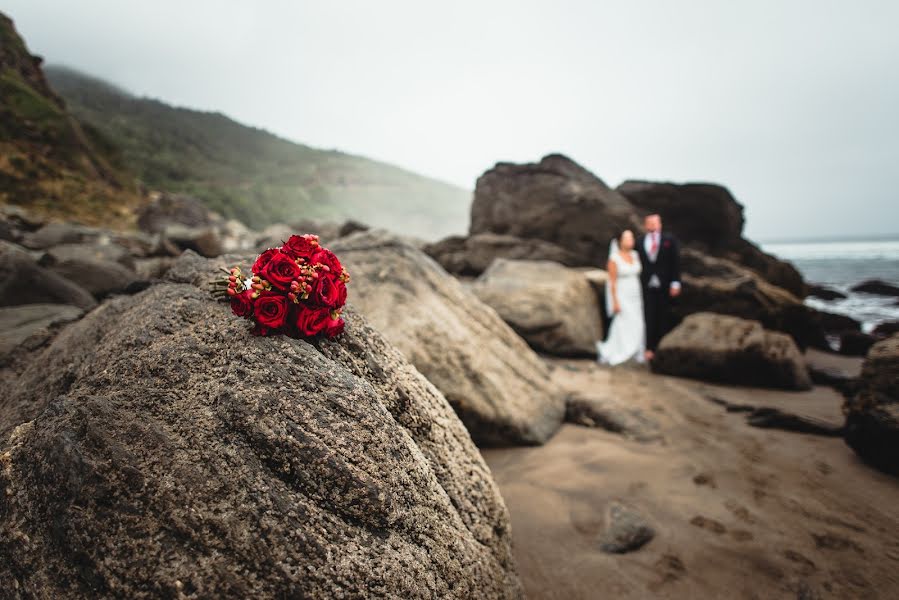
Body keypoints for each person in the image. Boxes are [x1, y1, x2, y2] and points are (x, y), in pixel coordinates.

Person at [635, 214, 681, 361]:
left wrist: (675, 282)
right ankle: (648, 348)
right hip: (646, 284)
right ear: (645, 225)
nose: (652, 225)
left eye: (655, 222)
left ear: (660, 224)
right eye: (649, 223)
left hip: (664, 284)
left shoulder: (669, 240)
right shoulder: (640, 241)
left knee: (663, 316)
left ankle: (659, 348)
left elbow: (676, 262)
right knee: (648, 316)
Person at [596, 229, 645, 365]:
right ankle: (617, 349)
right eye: (627, 238)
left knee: (637, 322)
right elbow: (611, 281)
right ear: (620, 241)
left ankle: (635, 349)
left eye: (631, 238)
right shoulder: (614, 258)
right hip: (622, 295)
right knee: (622, 322)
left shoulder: (635, 255)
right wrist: (615, 301)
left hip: (636, 295)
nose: (630, 240)